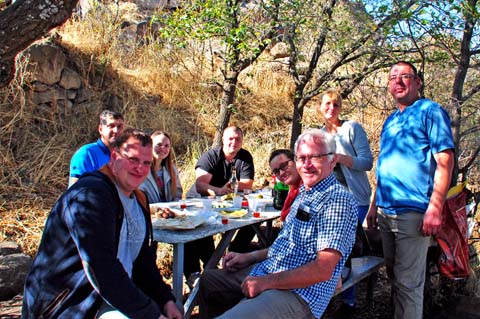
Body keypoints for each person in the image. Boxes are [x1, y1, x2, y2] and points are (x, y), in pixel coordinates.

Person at [22, 128, 183, 319]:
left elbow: (142, 262)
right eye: (133, 159)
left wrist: (165, 299)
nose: (140, 168)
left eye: (146, 163)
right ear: (114, 158)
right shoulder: (91, 194)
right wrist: (150, 314)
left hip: (111, 298)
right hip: (69, 304)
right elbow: (101, 266)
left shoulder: (139, 200)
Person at [198, 128, 358, 319]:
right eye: (301, 158)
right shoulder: (305, 193)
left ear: (332, 161)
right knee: (208, 279)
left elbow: (323, 269)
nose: (306, 165)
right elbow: (289, 244)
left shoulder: (336, 199)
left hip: (299, 293)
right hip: (272, 269)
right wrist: (250, 257)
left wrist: (266, 282)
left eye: (314, 157)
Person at [366, 61, 454, 319]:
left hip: (414, 213)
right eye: (393, 77)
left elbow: (445, 161)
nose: (399, 81)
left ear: (418, 82)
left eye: (406, 76)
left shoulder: (430, 111)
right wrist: (373, 207)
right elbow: (383, 166)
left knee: (409, 284)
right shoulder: (391, 120)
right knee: (395, 276)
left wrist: (435, 207)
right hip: (385, 212)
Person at [317, 88, 373, 316]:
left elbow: (367, 162)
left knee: (347, 249)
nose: (331, 108)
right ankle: (329, 294)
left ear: (341, 108)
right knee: (330, 248)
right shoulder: (319, 135)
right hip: (331, 201)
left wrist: (340, 158)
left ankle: (349, 303)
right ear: (320, 107)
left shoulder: (352, 129)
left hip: (355, 198)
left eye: (336, 104)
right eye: (327, 104)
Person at [184, 126, 256, 284]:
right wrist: (220, 190)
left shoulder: (244, 156)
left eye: (238, 139)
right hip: (199, 201)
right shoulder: (211, 156)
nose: (234, 142)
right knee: (201, 233)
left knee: (252, 223)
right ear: (223, 139)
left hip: (225, 204)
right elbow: (201, 185)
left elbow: (248, 183)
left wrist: (229, 189)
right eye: (230, 138)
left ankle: (232, 258)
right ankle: (197, 276)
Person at [68, 110, 125, 187]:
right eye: (111, 126)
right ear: (100, 129)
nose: (116, 130)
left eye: (119, 126)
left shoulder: (124, 156)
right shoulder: (86, 154)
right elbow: (75, 191)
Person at [140, 131, 183, 203]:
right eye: (159, 145)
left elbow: (178, 193)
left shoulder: (172, 169)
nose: (162, 148)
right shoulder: (140, 169)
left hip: (169, 212)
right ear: (150, 146)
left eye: (166, 146)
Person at [268, 149, 302, 221]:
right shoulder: (293, 189)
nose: (281, 173)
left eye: (284, 166)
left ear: (295, 161)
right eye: (276, 171)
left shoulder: (307, 189)